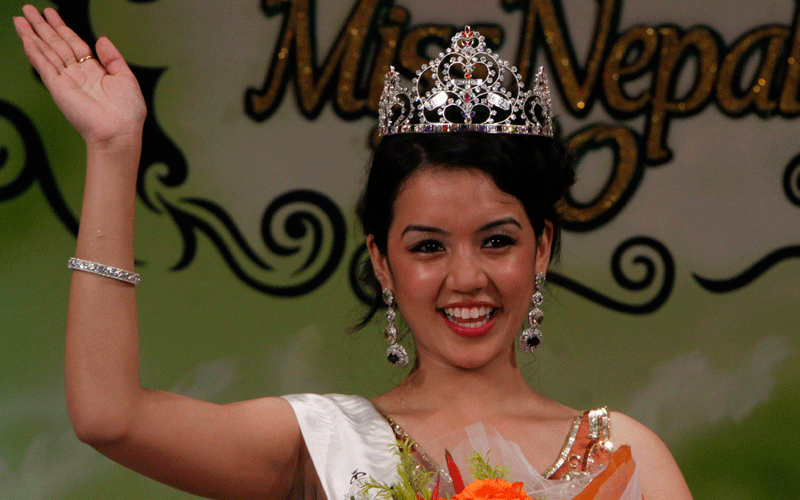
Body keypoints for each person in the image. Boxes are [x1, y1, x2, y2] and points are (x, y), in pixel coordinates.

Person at [14, 5, 692, 500]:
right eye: (427, 246)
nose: (467, 277)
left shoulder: (623, 456)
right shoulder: (323, 443)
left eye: (497, 241)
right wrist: (113, 150)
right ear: (380, 261)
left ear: (541, 249)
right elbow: (110, 417)